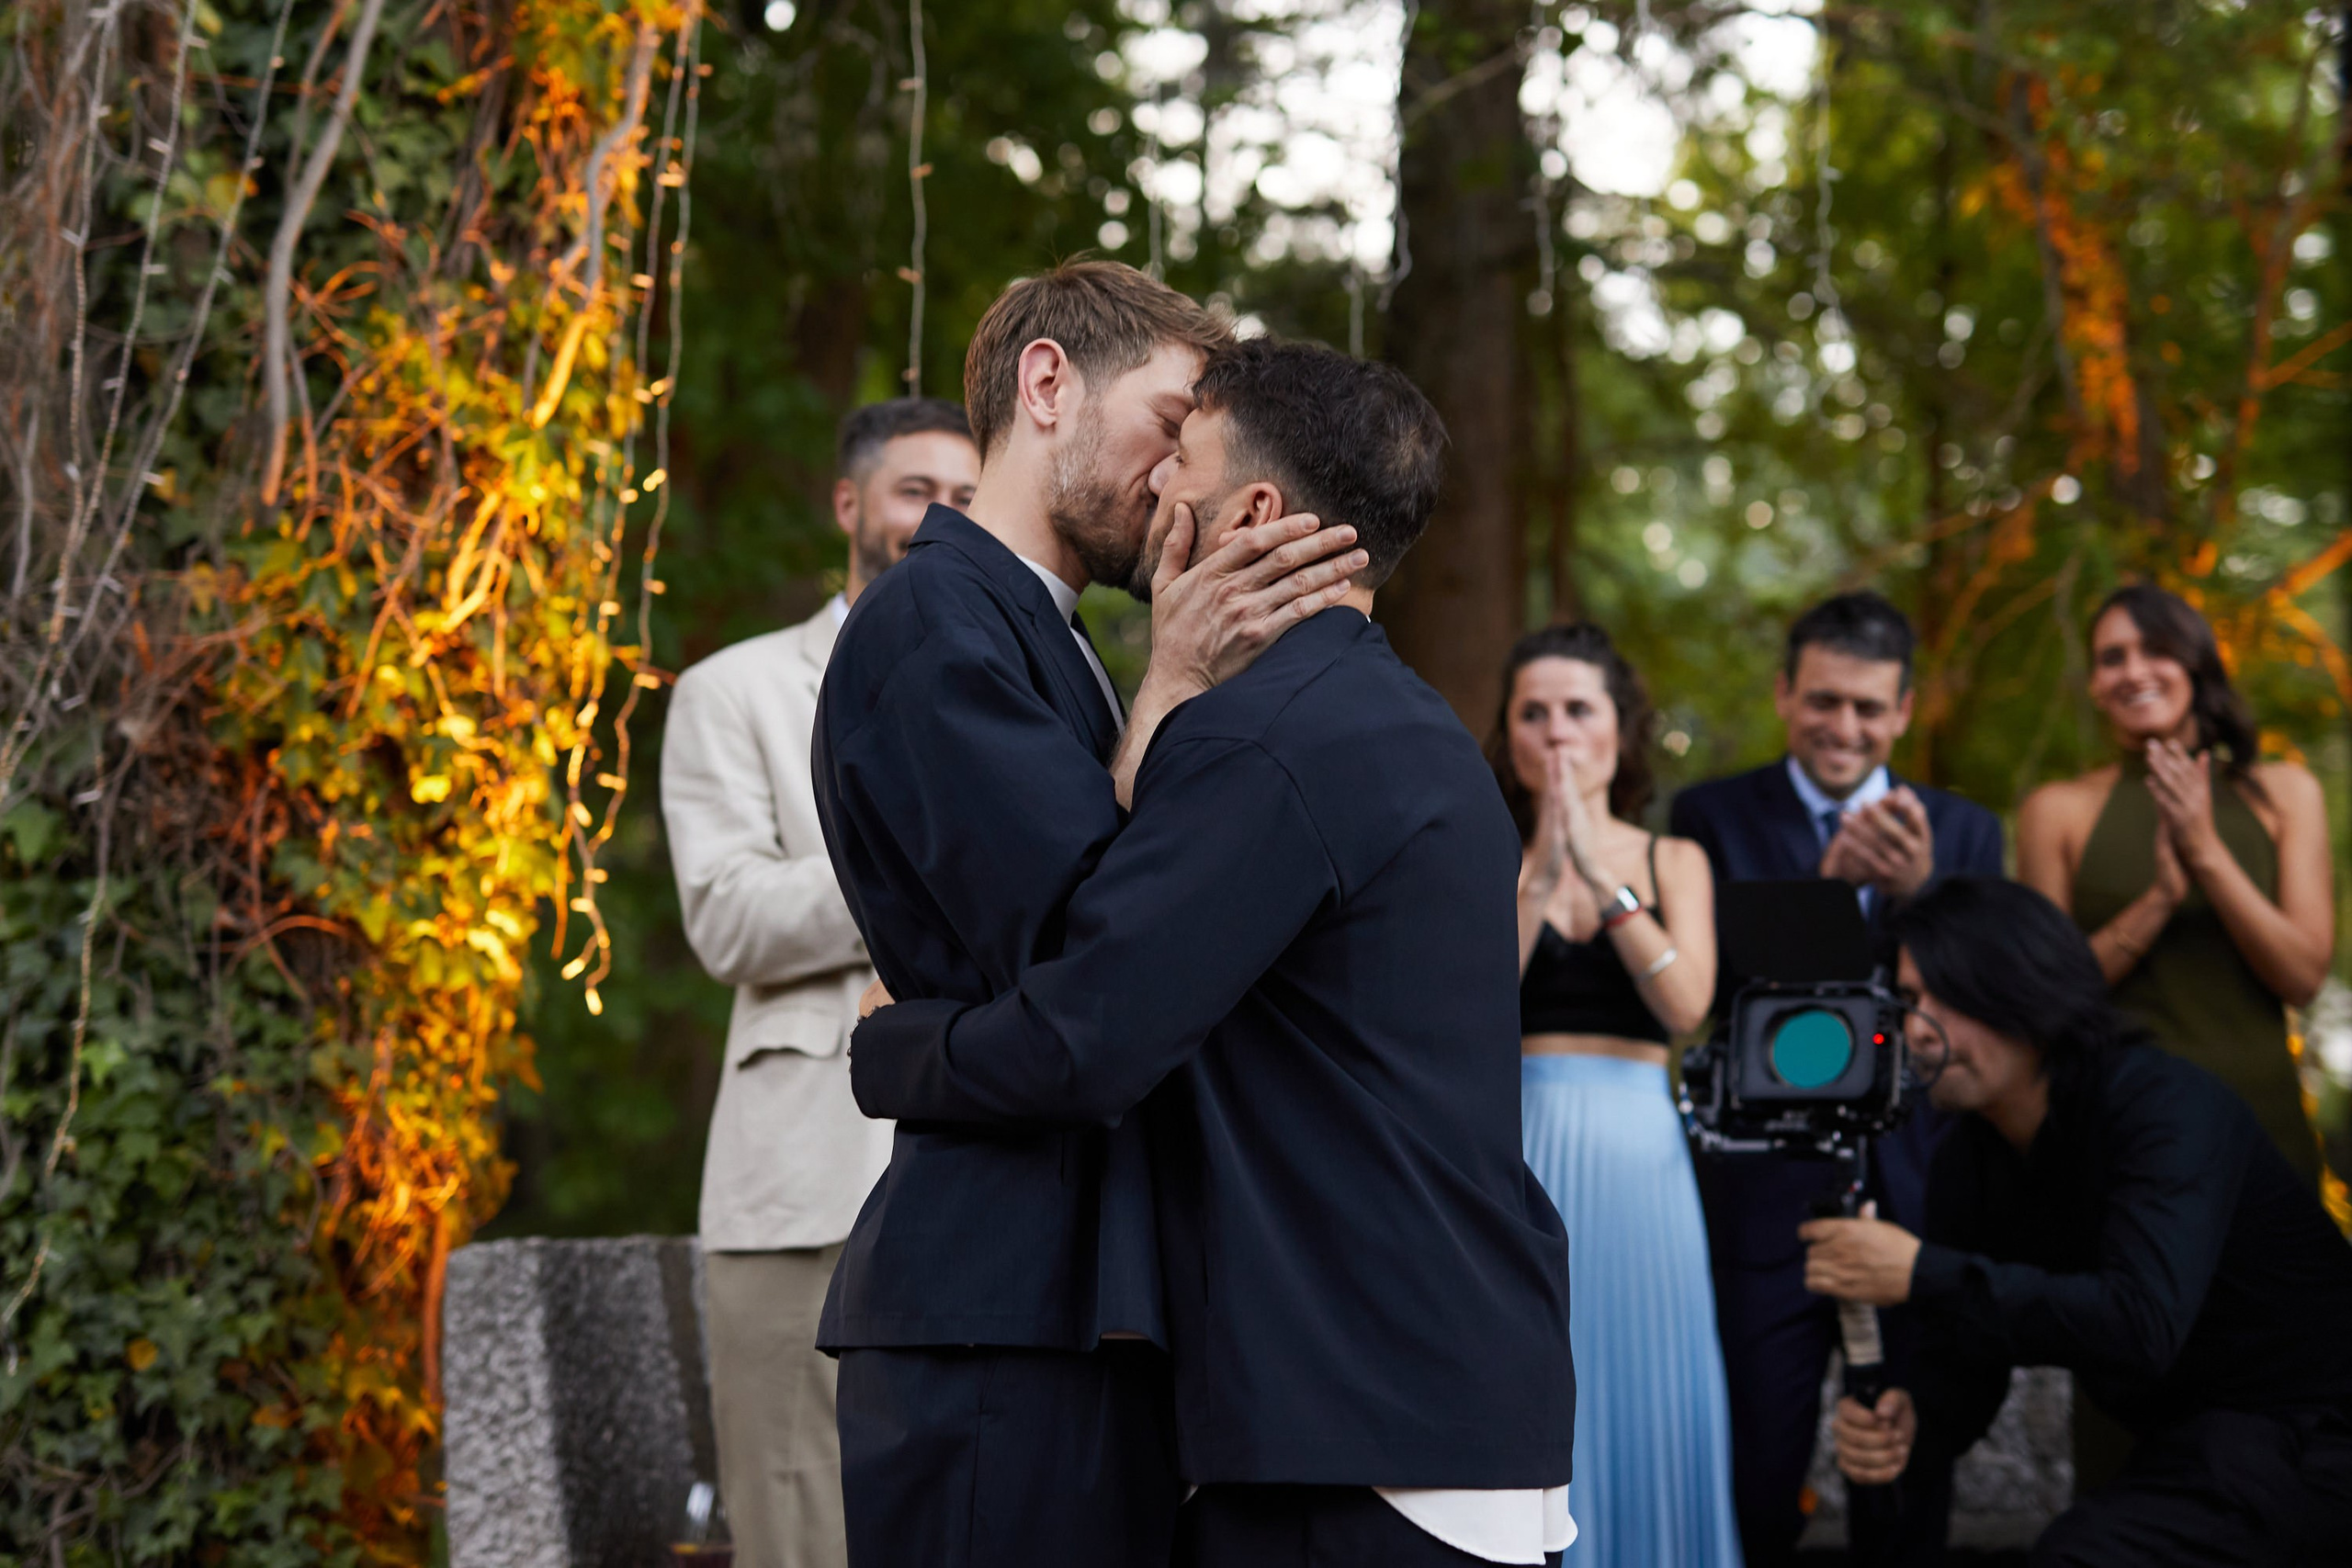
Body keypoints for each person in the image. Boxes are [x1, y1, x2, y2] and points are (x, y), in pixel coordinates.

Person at [852, 338, 1577, 1567]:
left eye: (1179, 450)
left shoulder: (1269, 741)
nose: (1152, 484)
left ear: (1250, 510)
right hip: (1432, 1391)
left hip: (1358, 1433)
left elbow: (1085, 1036)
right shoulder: (1402, 719)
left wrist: (895, 1047)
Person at [808, 265, 1365, 1568]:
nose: (1183, 482)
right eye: (1171, 428)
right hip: (996, 1306)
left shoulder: (1045, 633)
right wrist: (1176, 675)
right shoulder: (935, 622)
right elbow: (1093, 950)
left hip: (1067, 1291)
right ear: (1047, 382)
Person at [1803, 877, 2352, 1565]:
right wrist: (1915, 1414)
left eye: (1949, 995)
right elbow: (1970, 1359)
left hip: (2317, 1436)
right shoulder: (1967, 1158)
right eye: (1910, 999)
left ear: (2026, 991)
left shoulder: (2165, 1108)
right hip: (2202, 1451)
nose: (1917, 1026)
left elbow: (2138, 1323)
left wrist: (1919, 1270)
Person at [660, 396, 977, 1568]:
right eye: (915, 493)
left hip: (977, 1169)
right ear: (851, 506)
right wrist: (929, 864)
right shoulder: (730, 691)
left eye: (963, 497)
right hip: (799, 1181)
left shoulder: (1020, 688)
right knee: (798, 1519)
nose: (939, 519)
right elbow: (729, 917)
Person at [1667, 591, 2003, 1566]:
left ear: (1902, 711)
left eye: (1867, 708)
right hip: (1763, 1197)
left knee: (1903, 1476)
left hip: (1912, 1197)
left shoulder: (1967, 833)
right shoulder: (1711, 816)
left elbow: (1982, 1009)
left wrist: (1919, 899)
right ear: (1783, 694)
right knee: (1758, 1473)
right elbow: (1709, 1003)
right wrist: (1822, 889)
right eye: (1823, 701)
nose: (1844, 727)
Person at [1494, 624, 1741, 1566]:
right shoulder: (1488, 854)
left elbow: (1686, 1008)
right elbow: (1473, 1009)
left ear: (1617, 731)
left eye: (1577, 711)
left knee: (1642, 1377)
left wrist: (1605, 884)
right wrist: (1541, 873)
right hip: (1520, 1142)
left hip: (1640, 1150)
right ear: (1510, 734)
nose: (1557, 734)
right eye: (1534, 713)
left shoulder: (1674, 860)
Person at [2017, 582, 2335, 1189]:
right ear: (2094, 684)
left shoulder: (2286, 794)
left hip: (2262, 1128)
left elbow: (2302, 976)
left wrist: (2205, 853)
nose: (2134, 671)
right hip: (2119, 1134)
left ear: (2195, 662)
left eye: (2155, 649)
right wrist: (2159, 898)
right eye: (2112, 657)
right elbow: (2044, 1000)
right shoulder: (2055, 810)